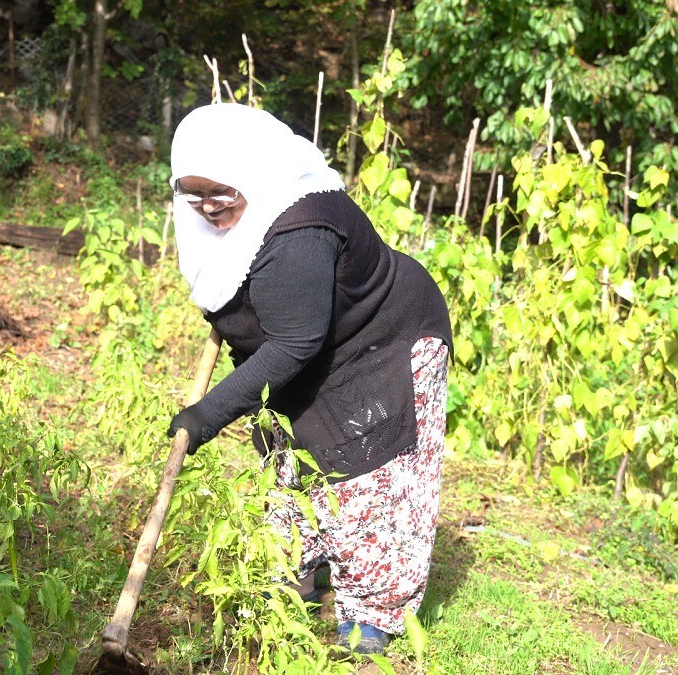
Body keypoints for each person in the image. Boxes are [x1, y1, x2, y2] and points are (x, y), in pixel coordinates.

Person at [165, 103, 452, 654]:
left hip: (384, 341)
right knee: (290, 459)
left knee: (373, 479)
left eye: (220, 194)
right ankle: (304, 571)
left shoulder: (300, 230)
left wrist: (207, 415)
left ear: (252, 174)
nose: (207, 209)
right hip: (312, 347)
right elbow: (269, 326)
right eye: (193, 195)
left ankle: (371, 615)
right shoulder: (224, 222)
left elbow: (296, 342)